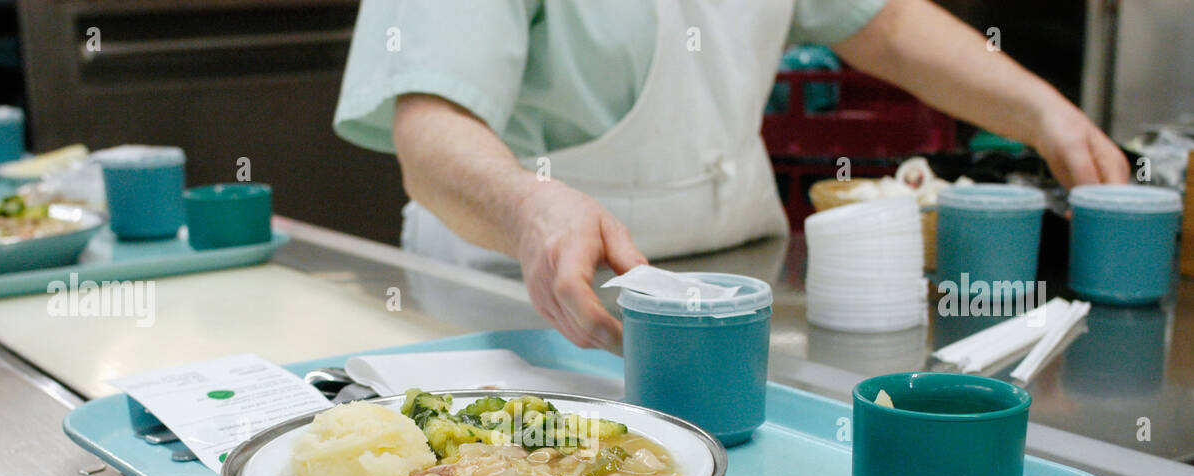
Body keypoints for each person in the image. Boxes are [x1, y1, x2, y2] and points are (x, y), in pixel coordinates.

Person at [334, 0, 1129, 351]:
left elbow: (881, 25)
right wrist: (528, 209)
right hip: (512, 302)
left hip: (736, 293)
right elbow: (429, 129)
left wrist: (1043, 110)